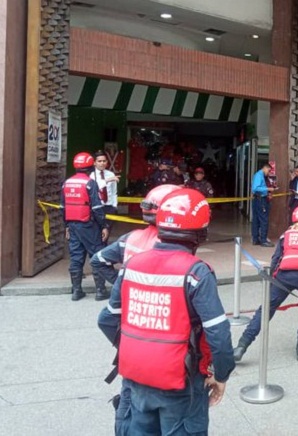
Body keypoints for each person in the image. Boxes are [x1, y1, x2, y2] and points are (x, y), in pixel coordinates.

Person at [98, 188, 235, 435]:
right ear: (201, 233)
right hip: (181, 383)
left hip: (135, 377)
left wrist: (138, 348)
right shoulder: (197, 273)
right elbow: (219, 334)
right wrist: (222, 375)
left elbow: (107, 319)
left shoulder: (131, 266)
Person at [90, 184, 180, 435]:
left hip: (130, 320)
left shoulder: (130, 238)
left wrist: (120, 284)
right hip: (161, 326)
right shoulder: (175, 245)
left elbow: (98, 260)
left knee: (131, 392)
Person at [233, 205, 298, 362]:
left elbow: (276, 259)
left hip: (285, 276)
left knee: (266, 310)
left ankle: (242, 345)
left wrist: (274, 279)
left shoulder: (286, 235)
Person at [61, 152, 109, 301]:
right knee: (96, 255)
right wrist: (104, 226)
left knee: (76, 257)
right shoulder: (90, 183)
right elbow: (96, 208)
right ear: (90, 167)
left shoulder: (66, 183)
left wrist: (67, 226)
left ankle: (76, 291)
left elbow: (62, 207)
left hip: (73, 225)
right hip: (89, 225)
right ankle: (100, 291)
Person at [91, 151, 119, 243]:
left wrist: (114, 205)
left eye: (104, 161)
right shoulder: (91, 175)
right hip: (97, 208)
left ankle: (103, 249)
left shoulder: (111, 174)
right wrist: (108, 180)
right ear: (94, 163)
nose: (102, 163)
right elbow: (96, 186)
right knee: (96, 232)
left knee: (106, 234)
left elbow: (114, 192)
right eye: (99, 161)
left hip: (109, 207)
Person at [251, 163, 275, 247]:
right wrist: (268, 189)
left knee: (256, 220)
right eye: (268, 171)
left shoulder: (259, 175)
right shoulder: (259, 175)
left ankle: (255, 239)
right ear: (265, 168)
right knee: (264, 220)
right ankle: (264, 240)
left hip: (257, 199)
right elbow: (255, 188)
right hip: (261, 200)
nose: (268, 173)